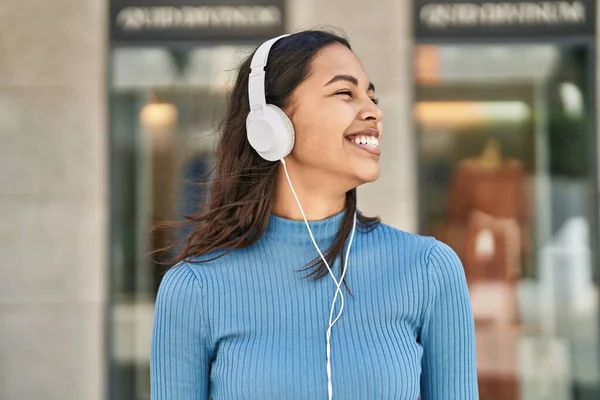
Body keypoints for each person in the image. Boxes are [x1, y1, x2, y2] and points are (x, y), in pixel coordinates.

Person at [150, 29, 478, 400]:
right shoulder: (193, 289)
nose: (373, 110)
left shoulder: (430, 269)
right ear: (271, 124)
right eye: (344, 92)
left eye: (372, 96)